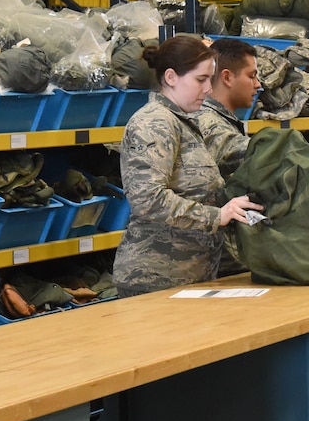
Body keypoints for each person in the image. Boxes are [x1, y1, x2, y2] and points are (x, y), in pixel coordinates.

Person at [112, 35, 263, 297]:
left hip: (189, 277)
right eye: (201, 80)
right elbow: (148, 199)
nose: (207, 89)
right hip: (154, 280)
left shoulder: (185, 123)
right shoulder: (153, 124)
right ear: (171, 77)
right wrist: (217, 216)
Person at [196, 37, 258, 175]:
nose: (258, 84)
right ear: (227, 78)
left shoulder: (219, 118)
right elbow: (258, 154)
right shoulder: (210, 123)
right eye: (251, 76)